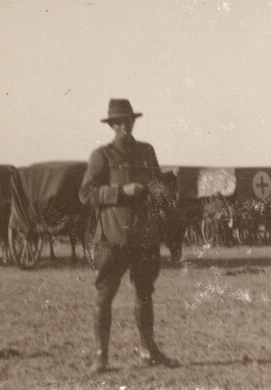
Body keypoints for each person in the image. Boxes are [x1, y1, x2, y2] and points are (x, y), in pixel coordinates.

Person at [78, 98, 177, 374]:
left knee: (145, 293)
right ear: (112, 125)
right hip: (113, 236)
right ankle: (101, 357)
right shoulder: (102, 156)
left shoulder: (147, 152)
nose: (125, 125)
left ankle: (149, 351)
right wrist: (122, 192)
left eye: (129, 120)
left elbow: (157, 187)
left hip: (145, 235)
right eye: (119, 121)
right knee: (105, 294)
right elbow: (86, 194)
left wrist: (163, 189)